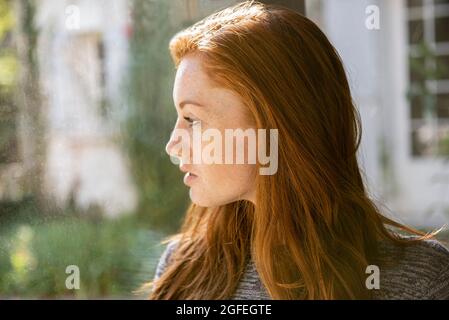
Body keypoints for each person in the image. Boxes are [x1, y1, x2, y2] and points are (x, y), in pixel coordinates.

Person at [148, 1, 449, 299]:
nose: (172, 144)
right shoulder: (182, 269)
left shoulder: (422, 282)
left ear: (272, 123)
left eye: (192, 120)